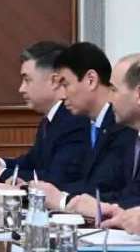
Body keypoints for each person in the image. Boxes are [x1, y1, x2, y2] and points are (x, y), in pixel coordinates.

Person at [27, 43, 132, 210]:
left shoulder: (123, 126)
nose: (62, 94)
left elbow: (105, 187)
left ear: (91, 80)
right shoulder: (89, 123)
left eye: (66, 84)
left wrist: (60, 198)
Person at [0, 41, 88, 185]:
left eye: (27, 80)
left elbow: (56, 179)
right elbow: (31, 162)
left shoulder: (74, 120)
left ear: (55, 81)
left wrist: (0, 174)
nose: (21, 89)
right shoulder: (51, 118)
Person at [76, 54, 140, 228]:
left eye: (114, 90)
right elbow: (129, 198)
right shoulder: (133, 138)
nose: (110, 99)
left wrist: (101, 208)